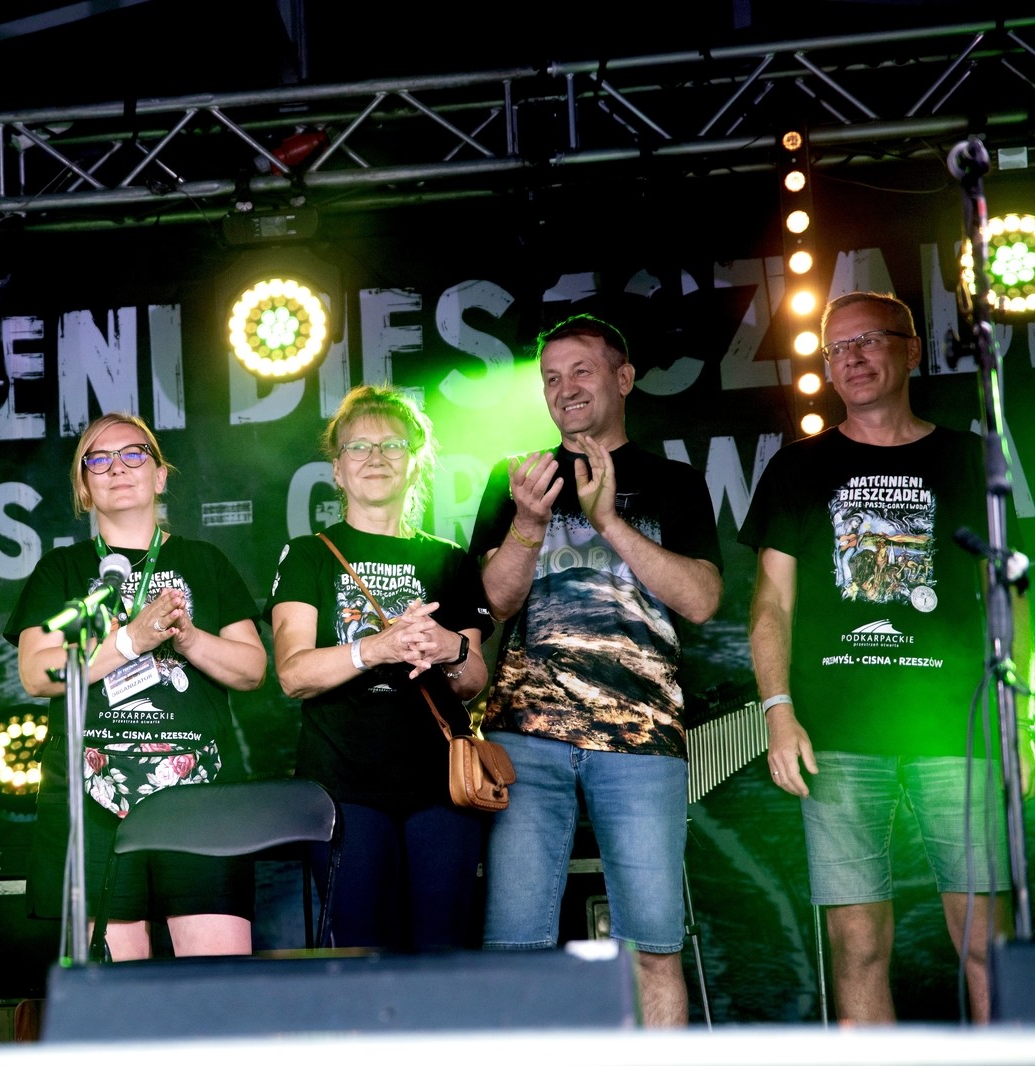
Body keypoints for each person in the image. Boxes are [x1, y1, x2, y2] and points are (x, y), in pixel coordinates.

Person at [738, 290, 1031, 1023]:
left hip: (957, 728)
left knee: (985, 937)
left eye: (869, 340)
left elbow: (1011, 595)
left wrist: (1020, 717)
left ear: (912, 349)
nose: (853, 358)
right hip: (834, 734)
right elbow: (771, 606)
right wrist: (777, 711)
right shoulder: (796, 469)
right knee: (857, 943)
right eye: (838, 348)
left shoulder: (972, 459)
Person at [470, 314, 722, 1026]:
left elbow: (702, 601)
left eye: (581, 370)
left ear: (624, 377)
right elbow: (491, 603)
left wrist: (609, 521)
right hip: (524, 743)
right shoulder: (517, 479)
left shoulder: (674, 482)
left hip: (641, 743)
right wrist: (528, 521)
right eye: (551, 378)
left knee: (654, 948)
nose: (565, 388)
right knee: (515, 948)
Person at [6, 413, 265, 960]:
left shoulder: (204, 561)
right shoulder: (62, 570)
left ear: (160, 475)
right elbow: (37, 673)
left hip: (199, 794)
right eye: (97, 460)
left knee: (220, 985)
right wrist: (129, 641)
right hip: (94, 796)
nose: (117, 468)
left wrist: (188, 638)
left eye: (133, 454)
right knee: (116, 993)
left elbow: (252, 669)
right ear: (84, 487)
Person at [267, 384, 492, 952]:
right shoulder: (309, 554)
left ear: (416, 463)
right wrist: (376, 648)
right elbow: (292, 674)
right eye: (359, 447)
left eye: (393, 445)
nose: (376, 457)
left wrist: (450, 649)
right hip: (344, 789)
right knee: (364, 952)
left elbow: (473, 682)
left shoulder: (449, 559)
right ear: (337, 470)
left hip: (443, 787)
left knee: (443, 951)